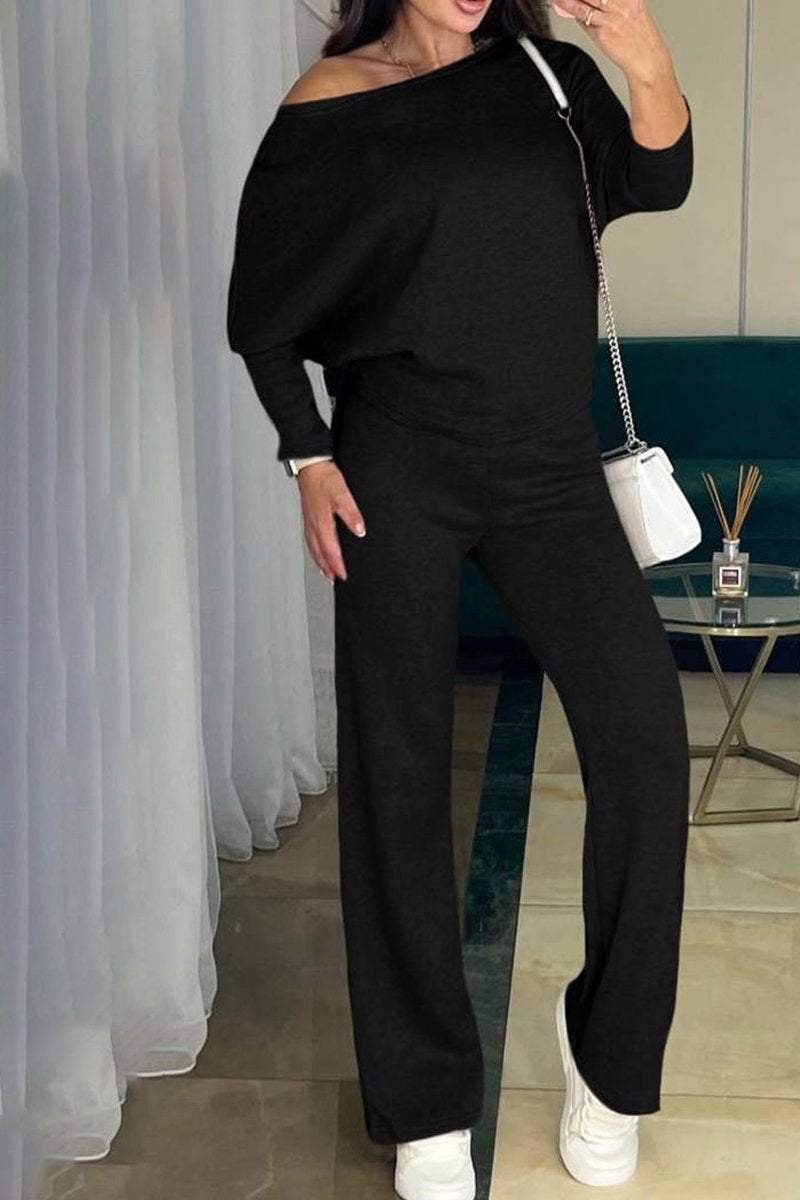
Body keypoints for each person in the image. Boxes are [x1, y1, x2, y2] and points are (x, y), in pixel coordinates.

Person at [226, 1, 694, 1195]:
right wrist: (306, 453)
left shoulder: (544, 72)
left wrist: (641, 58)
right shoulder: (331, 102)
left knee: (644, 742)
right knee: (397, 771)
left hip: (549, 470)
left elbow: (659, 177)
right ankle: (426, 1102)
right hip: (397, 465)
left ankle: (609, 1062)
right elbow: (261, 308)